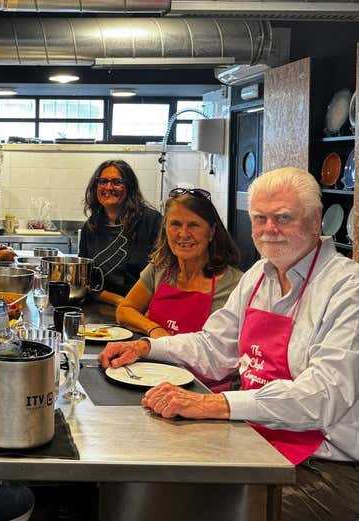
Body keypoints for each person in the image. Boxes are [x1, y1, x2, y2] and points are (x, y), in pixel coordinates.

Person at [100, 167, 359, 521]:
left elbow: (320, 397)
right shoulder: (259, 275)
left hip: (325, 466)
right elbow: (214, 347)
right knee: (150, 484)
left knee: (203, 510)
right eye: (260, 218)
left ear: (316, 221)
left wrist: (213, 404)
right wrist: (147, 348)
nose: (270, 229)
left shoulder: (348, 289)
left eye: (284, 218)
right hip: (254, 439)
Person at [115, 188, 243, 391]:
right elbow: (125, 309)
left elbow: (226, 354)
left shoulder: (234, 284)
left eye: (193, 225)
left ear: (211, 232)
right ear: (165, 228)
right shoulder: (161, 268)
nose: (183, 234)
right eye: (175, 224)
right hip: (151, 376)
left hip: (204, 390)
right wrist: (154, 330)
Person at [78, 159, 162, 304]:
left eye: (117, 182)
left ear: (129, 187)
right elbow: (85, 280)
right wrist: (119, 301)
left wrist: (130, 305)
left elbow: (162, 273)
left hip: (143, 308)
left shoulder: (151, 222)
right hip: (101, 307)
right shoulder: (90, 228)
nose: (108, 187)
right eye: (103, 181)